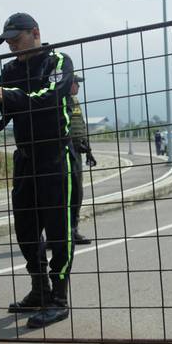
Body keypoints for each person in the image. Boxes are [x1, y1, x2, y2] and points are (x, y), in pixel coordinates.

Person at [0, 12, 76, 328]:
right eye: (7, 42)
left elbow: (48, 98)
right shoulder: (11, 69)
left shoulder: (58, 62)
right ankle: (40, 290)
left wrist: (10, 95)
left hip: (56, 157)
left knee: (59, 231)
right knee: (25, 230)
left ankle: (58, 299)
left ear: (35, 33)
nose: (12, 48)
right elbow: (2, 113)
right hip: (26, 160)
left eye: (16, 41)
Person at [68, 76, 96, 245]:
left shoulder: (75, 100)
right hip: (65, 152)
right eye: (75, 82)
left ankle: (73, 230)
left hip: (77, 152)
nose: (77, 85)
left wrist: (88, 149)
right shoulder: (60, 99)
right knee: (65, 194)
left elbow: (80, 126)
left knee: (77, 193)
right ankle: (57, 234)